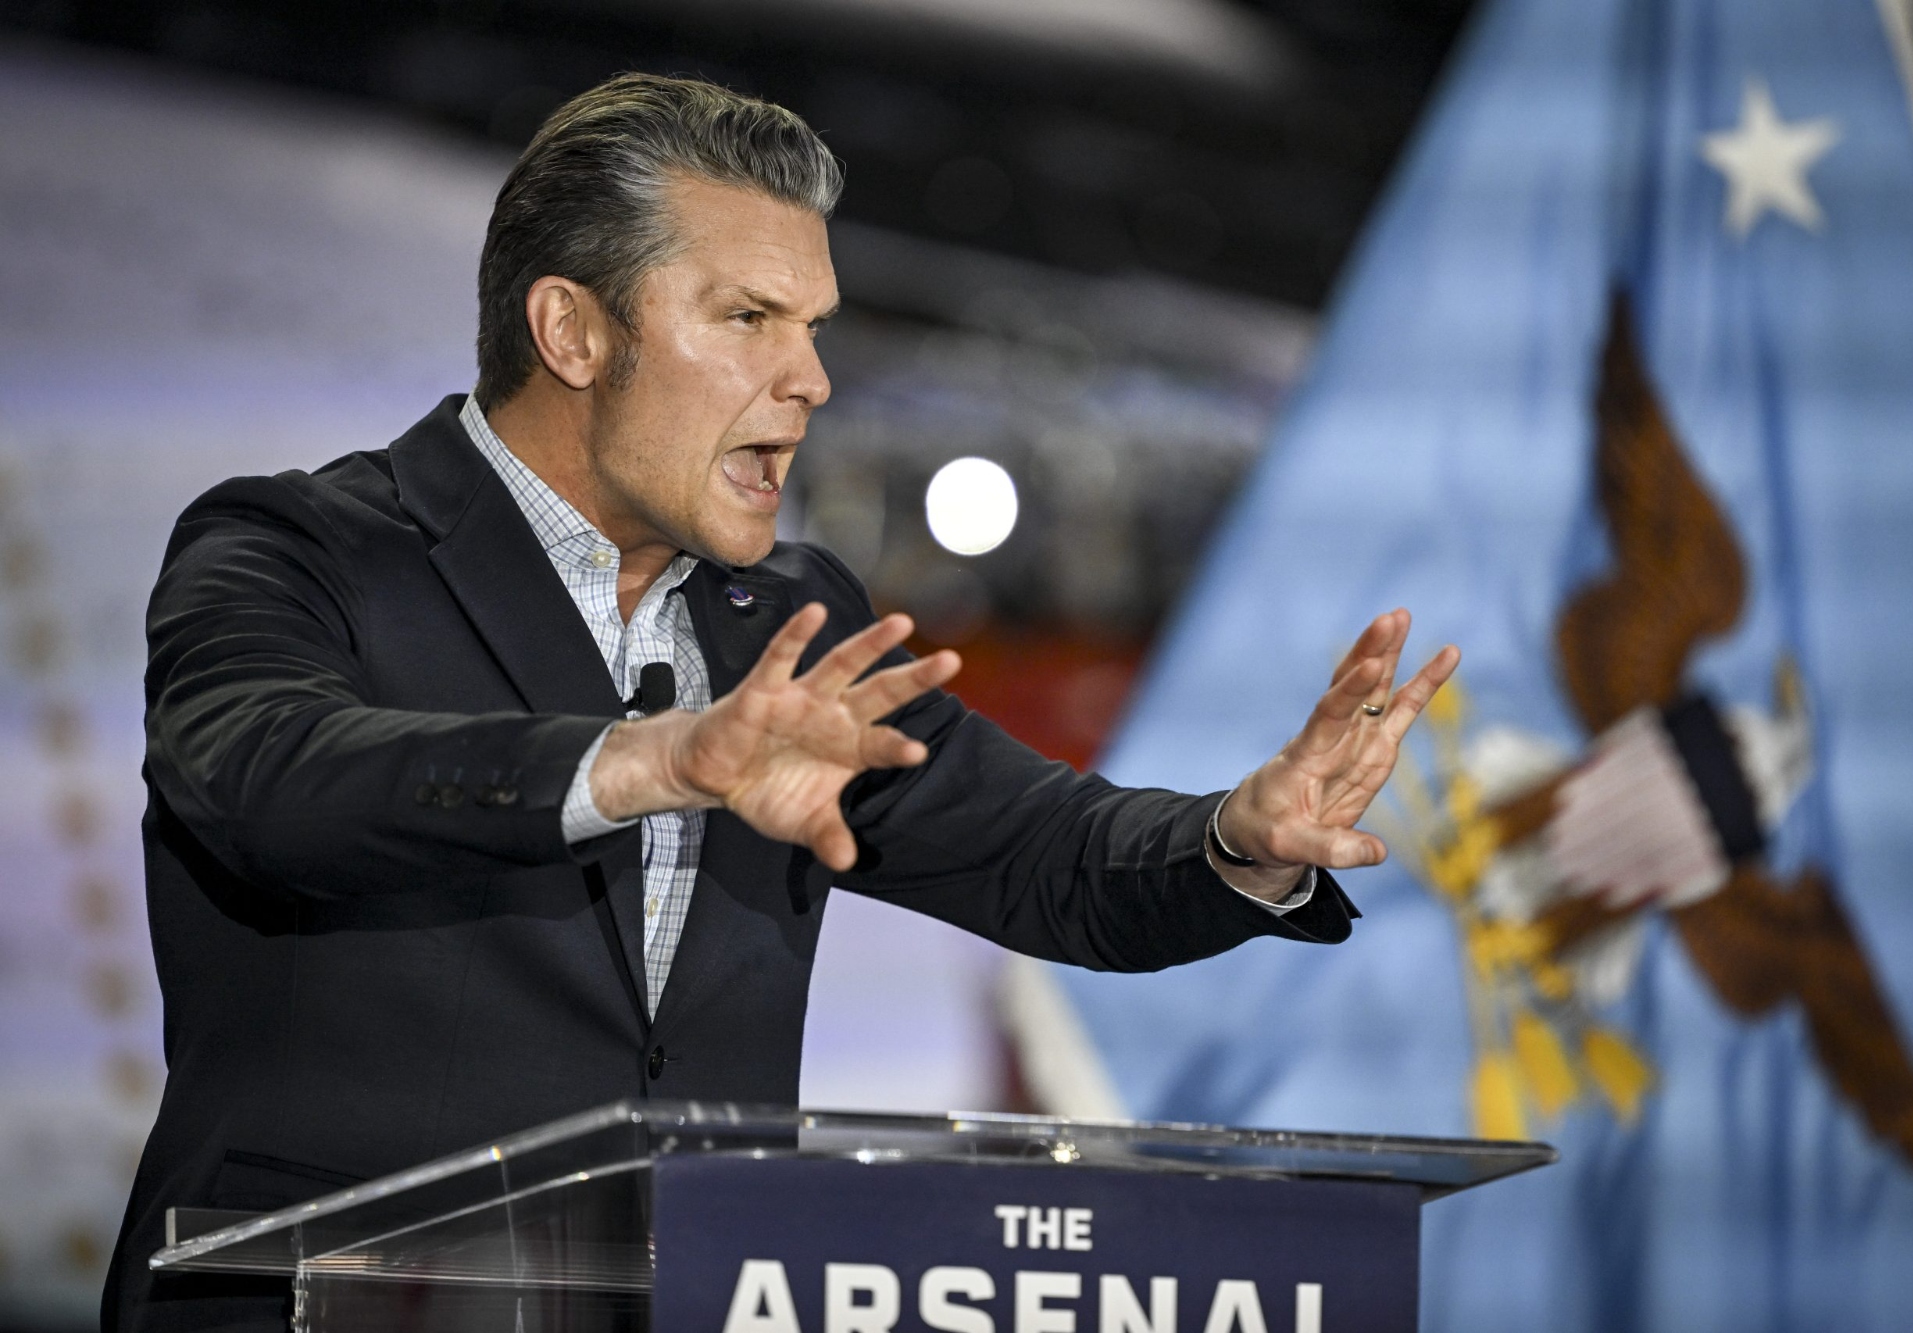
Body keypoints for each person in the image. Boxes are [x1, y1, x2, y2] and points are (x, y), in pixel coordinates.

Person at [104, 74, 1458, 1332]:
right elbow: (271, 783)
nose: (809, 379)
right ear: (573, 330)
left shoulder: (786, 620)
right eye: (750, 318)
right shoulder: (299, 549)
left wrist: (1236, 838)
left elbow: (1046, 857)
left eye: (813, 328)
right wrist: (648, 762)